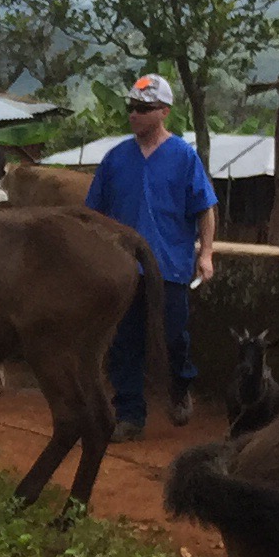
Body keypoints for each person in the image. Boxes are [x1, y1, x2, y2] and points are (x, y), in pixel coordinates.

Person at [89, 72, 216, 438]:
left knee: (173, 335)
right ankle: (129, 415)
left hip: (169, 265)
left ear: (164, 112)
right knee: (124, 341)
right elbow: (94, 213)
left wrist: (206, 254)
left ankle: (180, 385)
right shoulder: (116, 159)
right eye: (131, 108)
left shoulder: (183, 157)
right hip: (123, 268)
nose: (134, 115)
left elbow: (205, 208)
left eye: (143, 109)